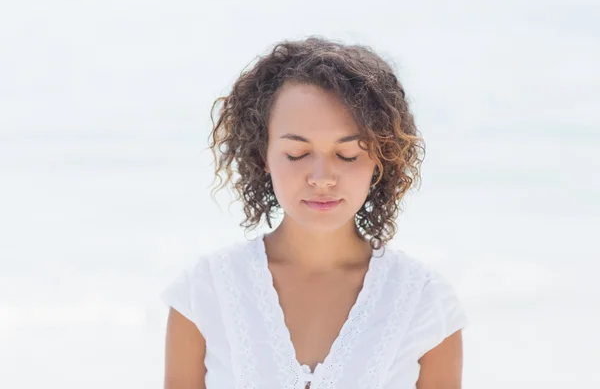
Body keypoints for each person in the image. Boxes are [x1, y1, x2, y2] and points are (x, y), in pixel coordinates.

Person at [160, 36, 468, 389]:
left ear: (380, 159)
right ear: (264, 154)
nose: (322, 178)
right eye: (296, 153)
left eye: (348, 154)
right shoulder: (203, 292)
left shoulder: (426, 303)